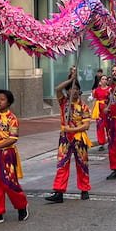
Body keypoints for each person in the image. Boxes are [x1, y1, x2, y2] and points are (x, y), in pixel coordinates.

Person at [0, 89, 28, 224]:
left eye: (2, 99)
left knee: (9, 183)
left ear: (9, 102)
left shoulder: (12, 118)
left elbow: (13, 138)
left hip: (6, 154)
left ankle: (21, 205)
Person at [46, 68, 92, 203]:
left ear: (79, 91)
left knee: (82, 164)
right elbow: (57, 89)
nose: (74, 91)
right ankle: (59, 192)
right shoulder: (63, 102)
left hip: (79, 138)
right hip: (65, 138)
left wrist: (72, 130)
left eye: (76, 88)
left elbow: (86, 125)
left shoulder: (83, 107)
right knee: (62, 163)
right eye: (71, 89)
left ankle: (84, 189)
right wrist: (70, 80)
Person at [91, 75, 111, 151]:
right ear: (100, 81)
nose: (104, 80)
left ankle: (110, 141)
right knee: (100, 127)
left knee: (109, 126)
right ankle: (101, 143)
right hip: (99, 111)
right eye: (103, 79)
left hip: (107, 110)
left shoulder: (110, 89)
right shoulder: (96, 90)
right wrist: (92, 111)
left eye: (106, 79)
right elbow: (95, 100)